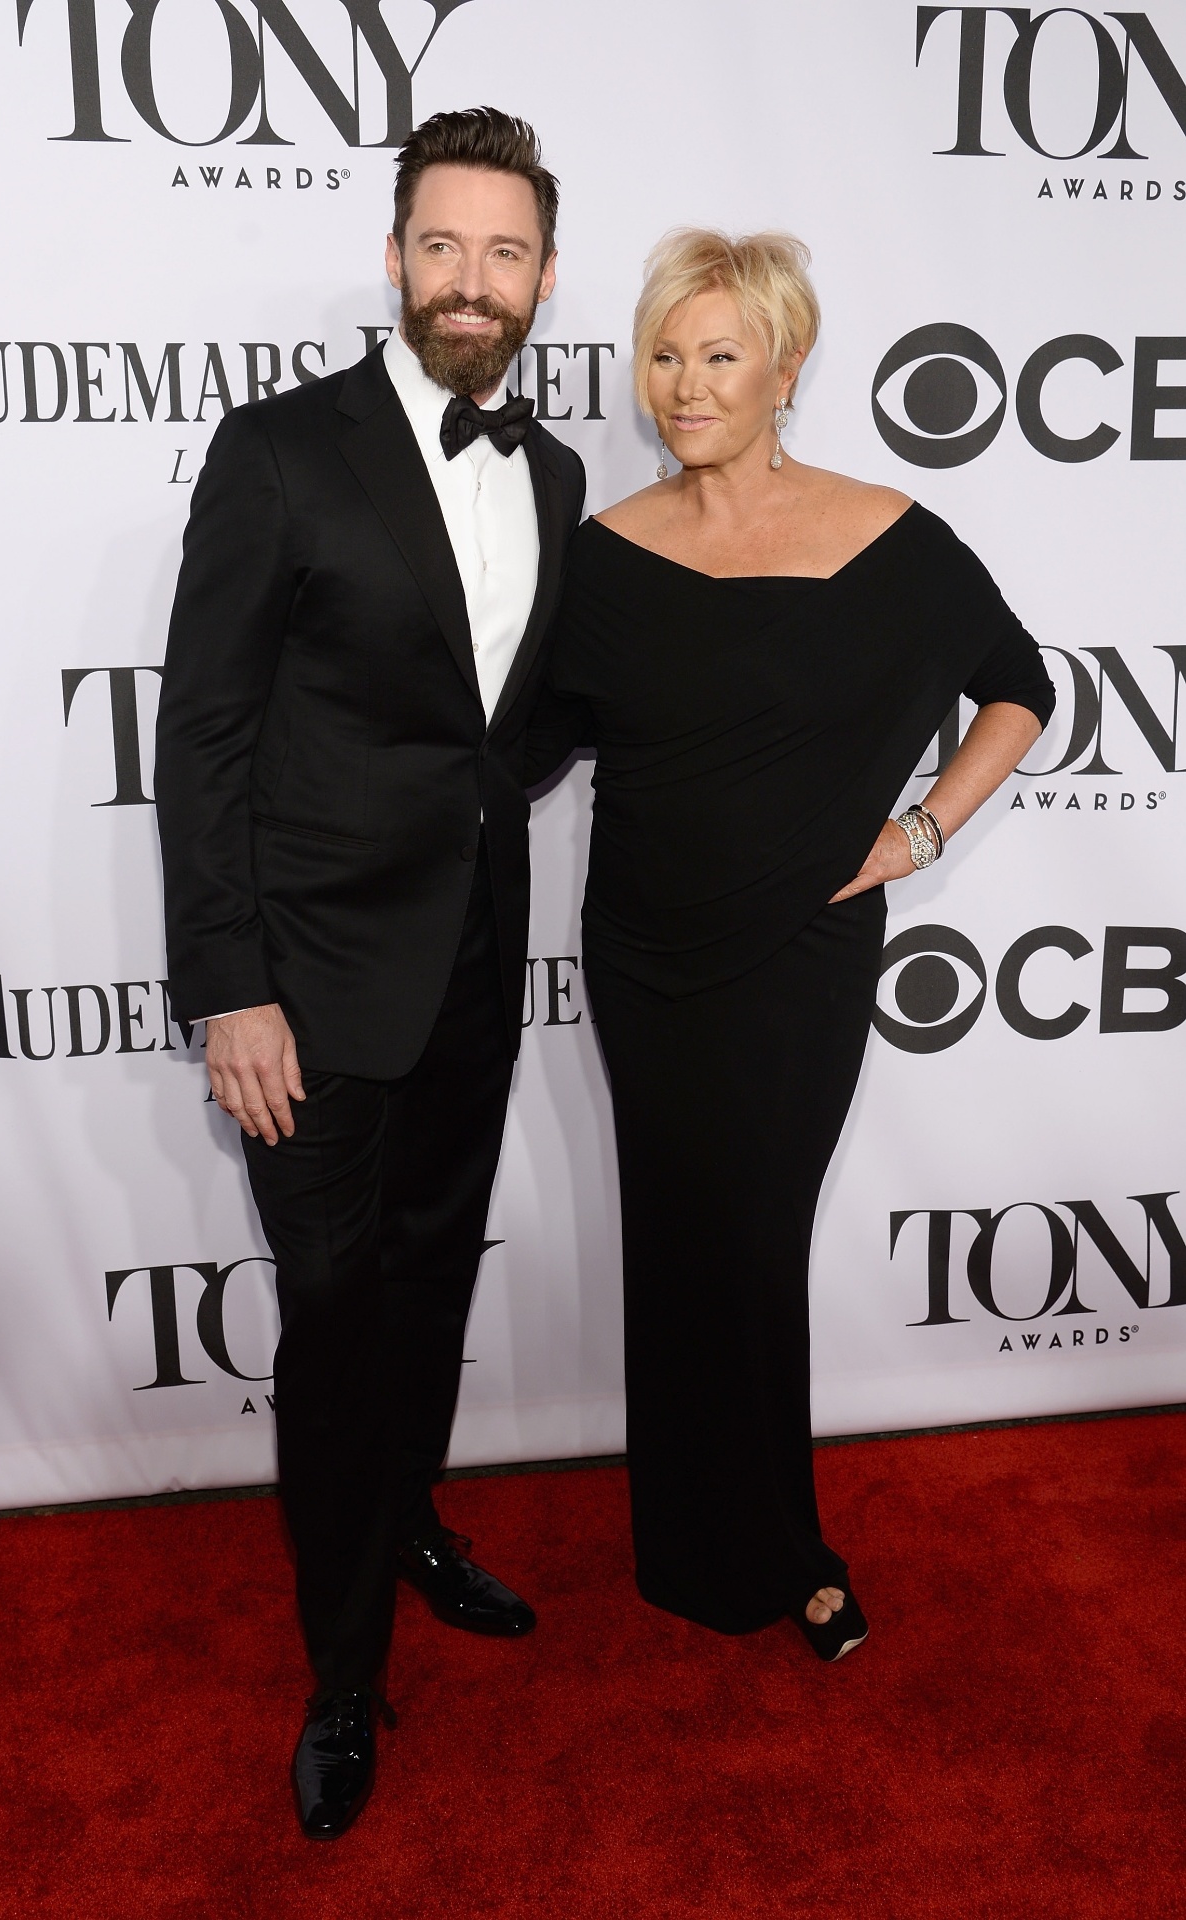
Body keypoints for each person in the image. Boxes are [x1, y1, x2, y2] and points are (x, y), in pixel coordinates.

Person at [525, 229, 1055, 1662]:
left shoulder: (888, 537)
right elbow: (519, 747)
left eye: (717, 355)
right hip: (640, 956)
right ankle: (696, 1548)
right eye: (663, 353)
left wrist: (919, 834)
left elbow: (1017, 688)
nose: (684, 384)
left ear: (785, 368)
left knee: (751, 1247)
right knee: (681, 1247)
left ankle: (784, 1545)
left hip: (793, 970)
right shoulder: (600, 556)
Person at [154, 108, 585, 1840]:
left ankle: (408, 1520)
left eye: (504, 254)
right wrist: (226, 984)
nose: (470, 284)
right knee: (332, 1328)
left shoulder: (551, 473)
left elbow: (519, 726)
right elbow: (204, 735)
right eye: (442, 246)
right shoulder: (277, 452)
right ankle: (343, 1674)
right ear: (394, 257)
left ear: (542, 278)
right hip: (309, 997)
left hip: (478, 967)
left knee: (425, 1293)